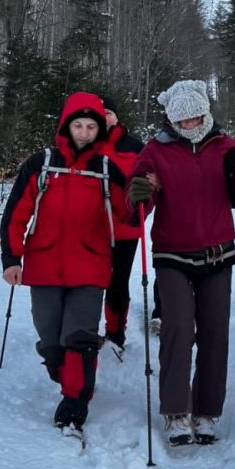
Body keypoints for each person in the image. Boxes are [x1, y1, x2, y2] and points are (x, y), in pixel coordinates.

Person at [127, 79, 235, 446]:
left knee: (214, 332)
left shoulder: (224, 146)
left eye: (196, 117)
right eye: (182, 119)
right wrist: (141, 192)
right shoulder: (155, 150)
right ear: (171, 119)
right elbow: (138, 198)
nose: (190, 124)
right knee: (177, 328)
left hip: (217, 252)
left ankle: (207, 411)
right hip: (172, 253)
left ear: (206, 113)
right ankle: (176, 411)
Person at [0, 92, 129, 430]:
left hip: (90, 265)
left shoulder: (106, 169)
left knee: (80, 337)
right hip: (44, 265)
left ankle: (75, 402)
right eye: (78, 125)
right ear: (66, 126)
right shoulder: (41, 164)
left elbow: (128, 215)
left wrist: (142, 195)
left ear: (99, 129)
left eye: (91, 126)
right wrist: (12, 258)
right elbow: (15, 214)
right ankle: (64, 373)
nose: (84, 132)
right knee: (51, 339)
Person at [96, 96, 144, 356]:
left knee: (118, 281)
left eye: (108, 112)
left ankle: (115, 332)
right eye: (99, 113)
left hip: (125, 227)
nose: (104, 117)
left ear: (116, 116)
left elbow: (148, 184)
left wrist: (140, 212)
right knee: (90, 280)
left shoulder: (134, 145)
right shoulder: (86, 142)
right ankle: (84, 331)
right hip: (91, 227)